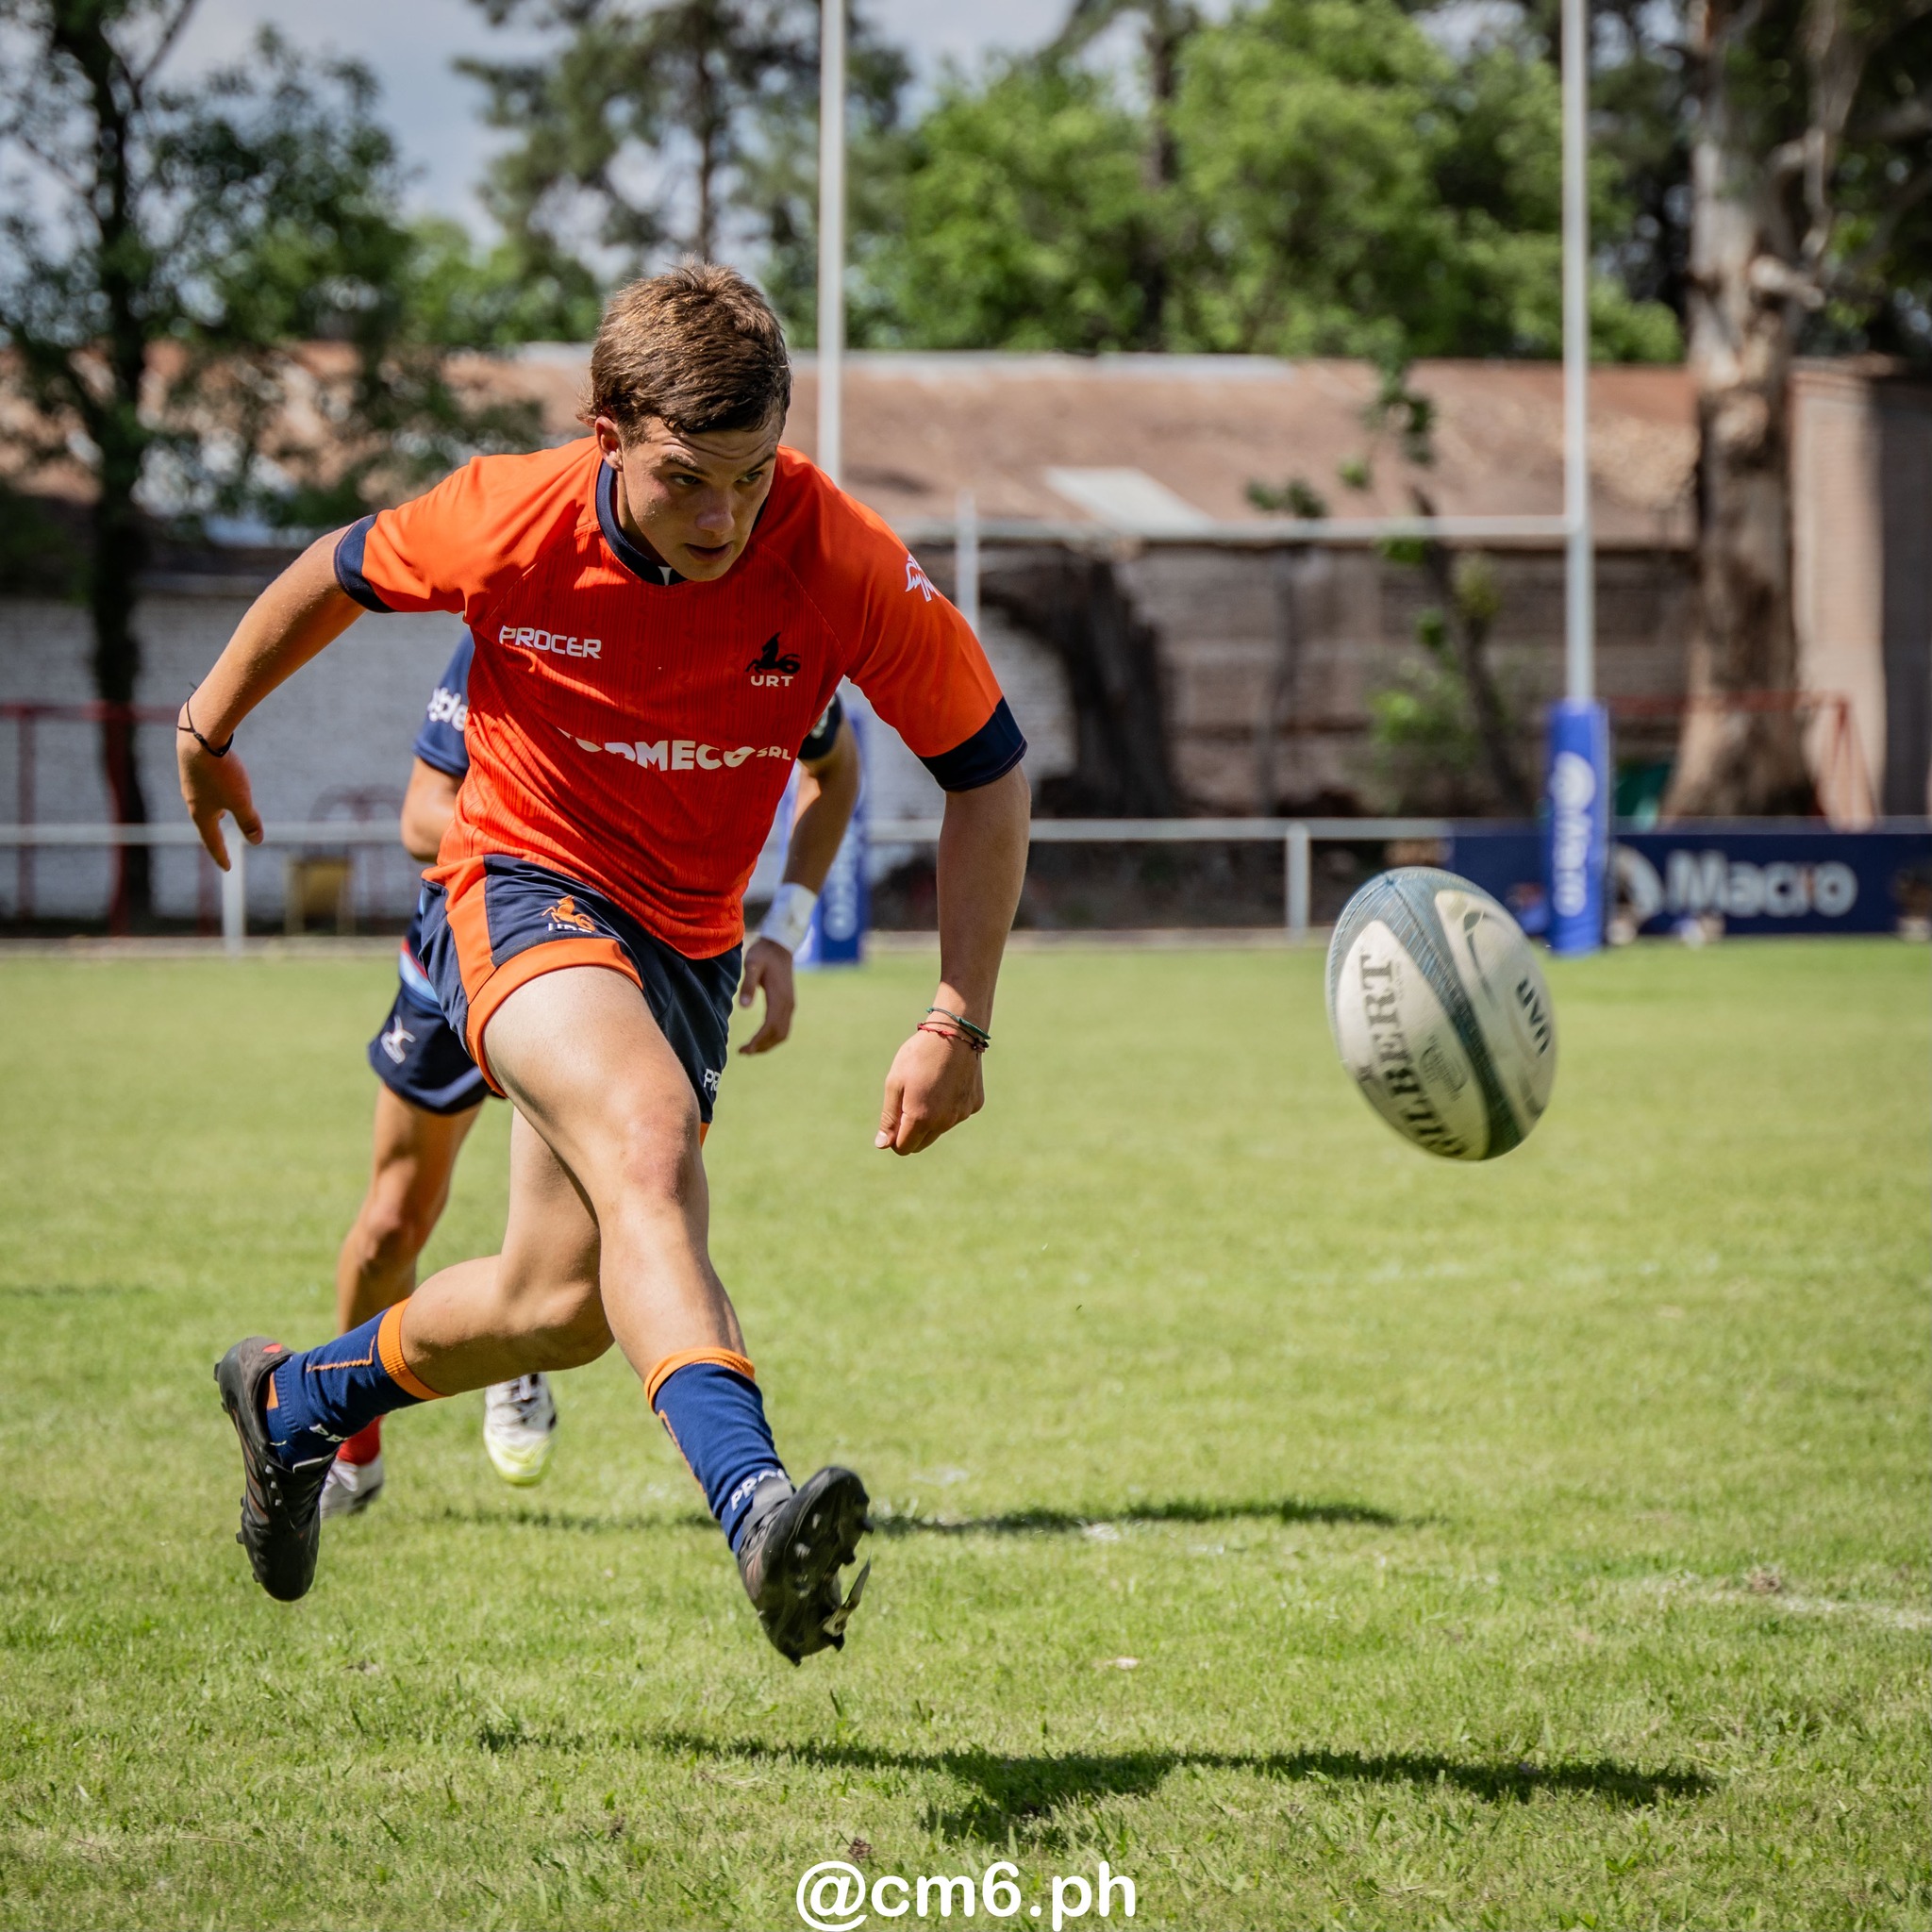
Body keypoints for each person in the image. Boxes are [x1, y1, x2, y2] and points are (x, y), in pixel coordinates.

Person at [178, 263, 1030, 1664]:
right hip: (523, 884)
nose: (725, 517)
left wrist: (961, 1014)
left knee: (559, 1306)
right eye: (689, 478)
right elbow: (332, 573)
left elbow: (988, 774)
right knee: (647, 1146)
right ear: (607, 431)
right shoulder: (507, 515)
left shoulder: (837, 555)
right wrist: (208, 729)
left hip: (688, 947)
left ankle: (296, 1402)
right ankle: (755, 1508)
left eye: (752, 478)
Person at [324, 633, 861, 1518]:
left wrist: (785, 927)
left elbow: (833, 769)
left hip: (605, 969)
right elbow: (425, 811)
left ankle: (520, 1355)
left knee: (570, 1263)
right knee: (392, 1223)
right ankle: (348, 1449)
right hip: (472, 935)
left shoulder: (737, 636)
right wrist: (556, 841)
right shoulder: (520, 628)